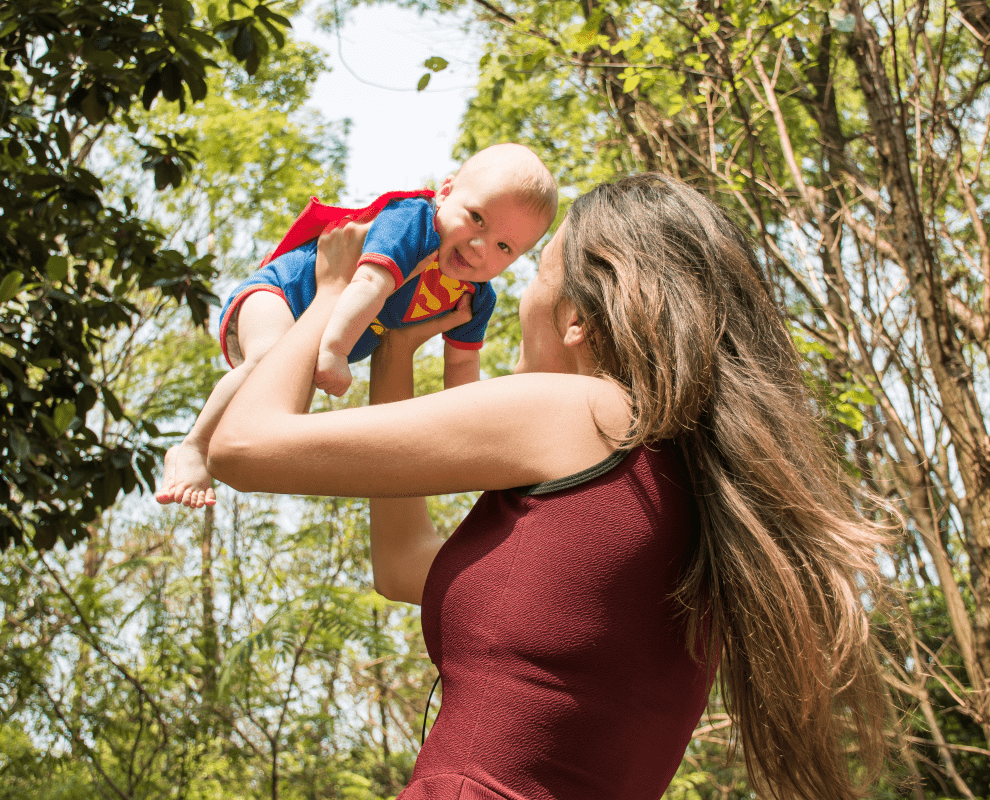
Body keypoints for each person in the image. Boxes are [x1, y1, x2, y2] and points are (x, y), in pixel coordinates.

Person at [207, 173, 891, 800]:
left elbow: (242, 447)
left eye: (536, 272)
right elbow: (403, 565)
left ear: (577, 318)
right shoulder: (683, 485)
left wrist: (331, 292)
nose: (520, 295)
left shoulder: (584, 413)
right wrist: (398, 351)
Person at [157, 143, 558, 508]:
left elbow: (462, 369)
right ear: (446, 192)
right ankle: (193, 446)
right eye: (477, 219)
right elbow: (369, 282)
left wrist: (476, 436)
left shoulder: (475, 297)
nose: (480, 246)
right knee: (266, 356)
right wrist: (335, 349)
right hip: (282, 293)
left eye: (505, 247)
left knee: (281, 417)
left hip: (316, 333)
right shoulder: (413, 224)